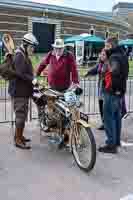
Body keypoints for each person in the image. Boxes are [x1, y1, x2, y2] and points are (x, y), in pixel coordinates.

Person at [35, 38, 79, 148]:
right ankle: (52, 127)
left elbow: (74, 69)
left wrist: (76, 82)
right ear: (53, 48)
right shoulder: (51, 54)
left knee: (66, 111)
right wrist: (36, 74)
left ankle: (66, 134)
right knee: (53, 110)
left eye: (60, 48)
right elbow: (43, 63)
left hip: (64, 88)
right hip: (52, 87)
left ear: (63, 48)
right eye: (56, 48)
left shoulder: (69, 56)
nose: (58, 50)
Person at [98, 37, 129, 154]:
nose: (104, 48)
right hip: (120, 91)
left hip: (111, 91)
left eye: (106, 46)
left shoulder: (114, 57)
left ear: (110, 46)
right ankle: (115, 141)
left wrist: (106, 64)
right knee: (116, 117)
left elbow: (114, 71)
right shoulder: (123, 55)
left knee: (108, 117)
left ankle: (111, 144)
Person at [8, 33, 38, 149]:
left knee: (23, 114)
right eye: (31, 47)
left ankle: (20, 136)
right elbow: (20, 73)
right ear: (25, 45)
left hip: (23, 91)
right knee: (20, 115)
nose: (33, 49)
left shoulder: (23, 54)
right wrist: (33, 80)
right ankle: (17, 140)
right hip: (19, 92)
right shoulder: (19, 55)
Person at [84, 48, 108, 130]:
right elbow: (95, 69)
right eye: (101, 54)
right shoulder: (100, 63)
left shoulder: (108, 63)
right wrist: (88, 72)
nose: (101, 55)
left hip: (107, 89)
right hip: (101, 88)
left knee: (106, 108)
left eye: (103, 54)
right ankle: (104, 123)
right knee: (101, 107)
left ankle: (107, 124)